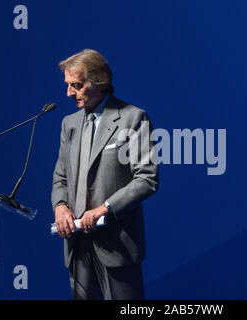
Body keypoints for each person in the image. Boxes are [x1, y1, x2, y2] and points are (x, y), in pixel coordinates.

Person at [51, 49, 158, 300]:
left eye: (76, 85)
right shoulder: (70, 124)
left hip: (117, 245)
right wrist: (60, 206)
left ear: (99, 82)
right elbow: (61, 178)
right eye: (68, 85)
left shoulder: (133, 118)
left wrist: (105, 208)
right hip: (77, 246)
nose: (68, 93)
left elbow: (147, 179)